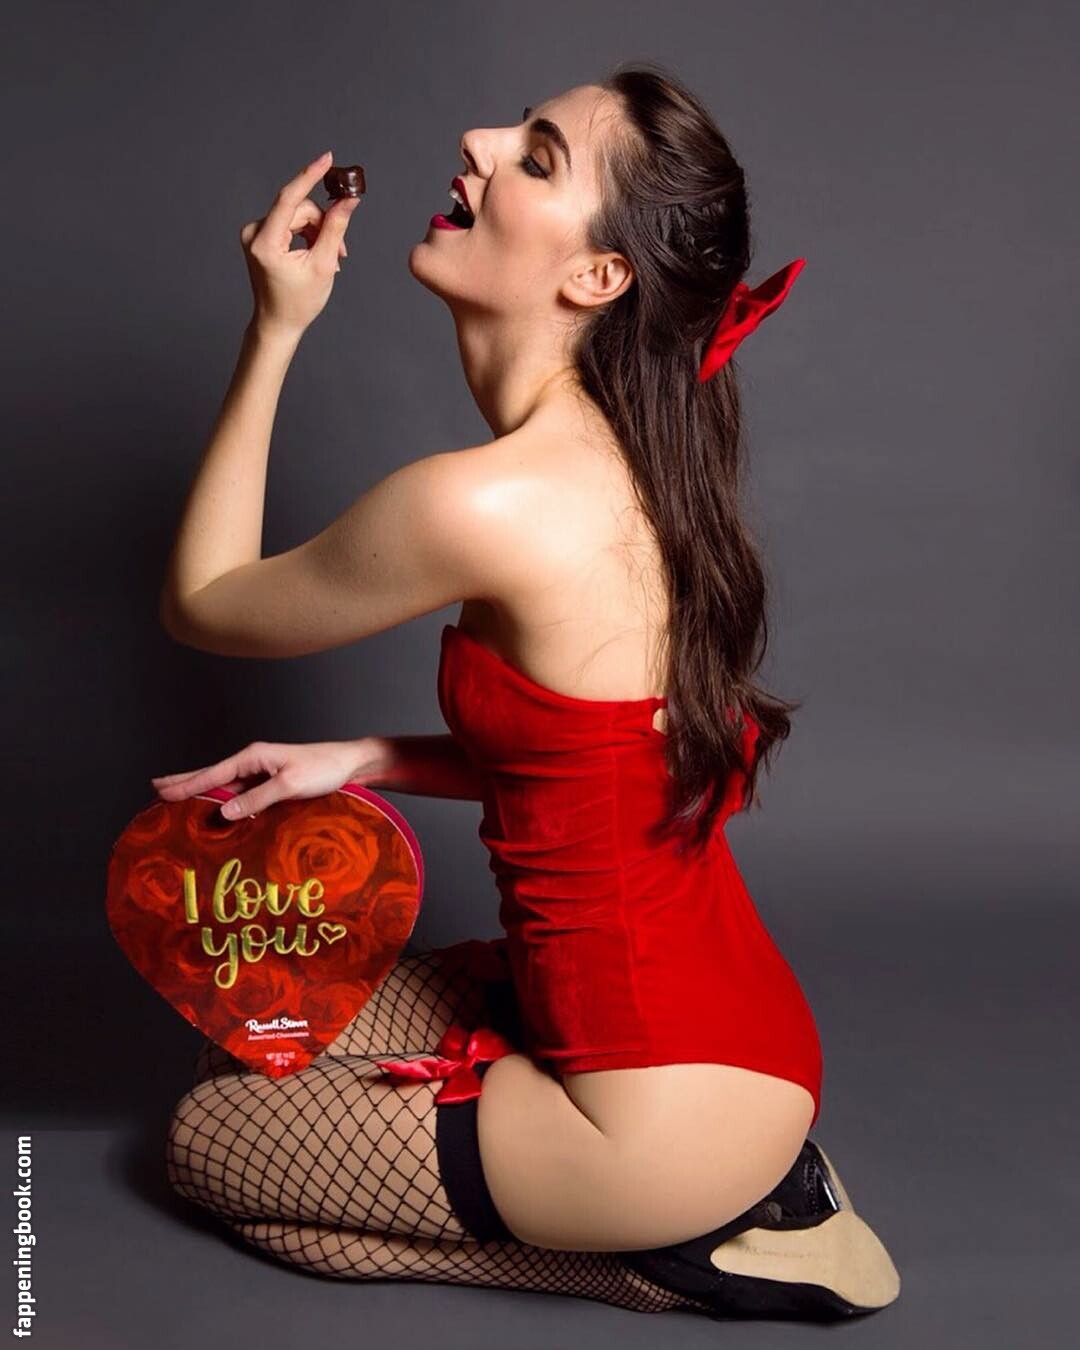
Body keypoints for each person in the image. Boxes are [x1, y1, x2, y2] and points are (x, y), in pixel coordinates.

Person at [155, 63, 900, 1320]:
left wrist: (276, 326)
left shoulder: (486, 501)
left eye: (537, 154)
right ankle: (752, 1191)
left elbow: (206, 599)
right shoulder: (637, 461)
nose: (479, 140)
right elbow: (595, 762)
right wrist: (365, 758)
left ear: (598, 276)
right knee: (252, 1023)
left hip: (646, 1115)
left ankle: (685, 1247)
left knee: (205, 1138)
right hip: (739, 1038)